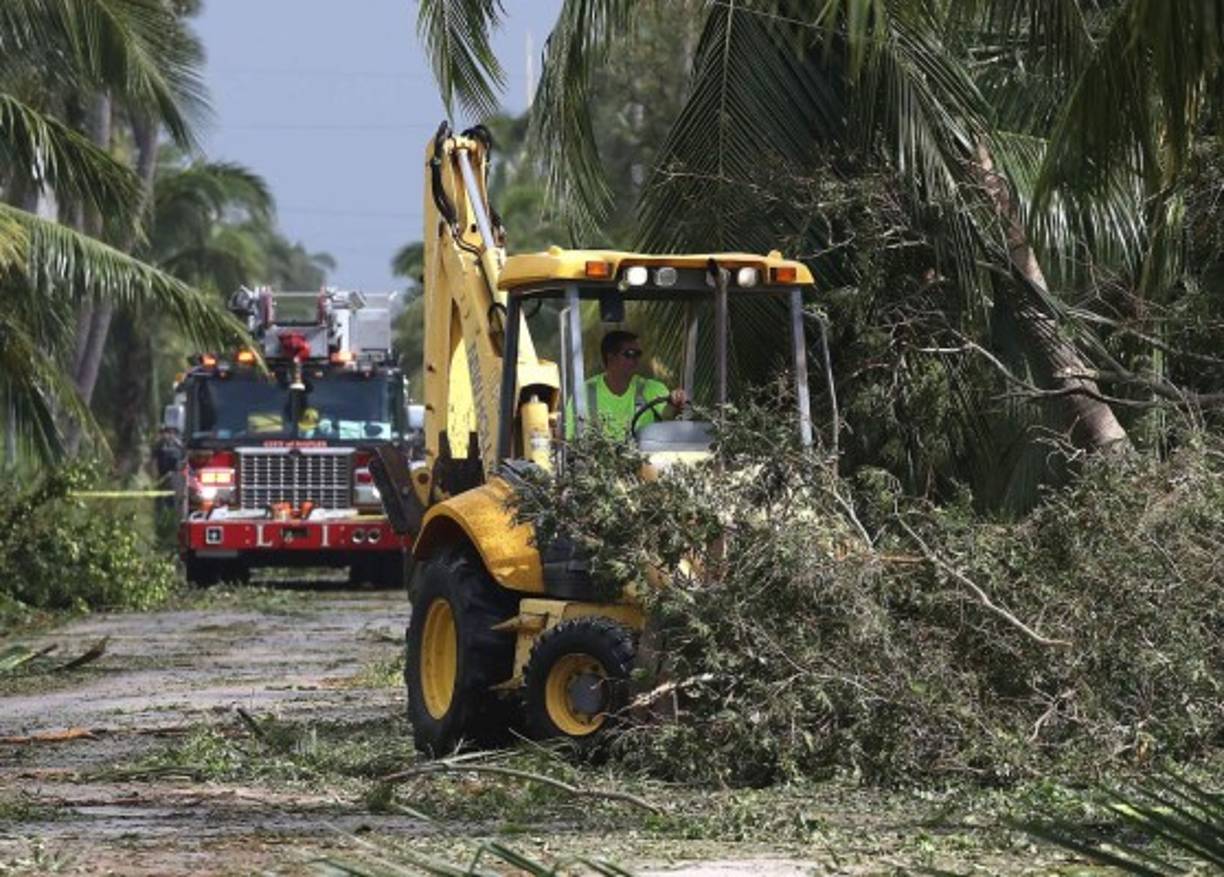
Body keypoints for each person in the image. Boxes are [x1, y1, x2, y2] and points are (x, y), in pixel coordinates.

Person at [567, 330, 687, 440]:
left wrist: (674, 403)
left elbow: (668, 416)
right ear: (611, 358)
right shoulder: (584, 393)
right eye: (629, 354)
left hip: (643, 462)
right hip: (597, 462)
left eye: (638, 354)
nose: (636, 359)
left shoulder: (651, 388)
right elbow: (571, 438)